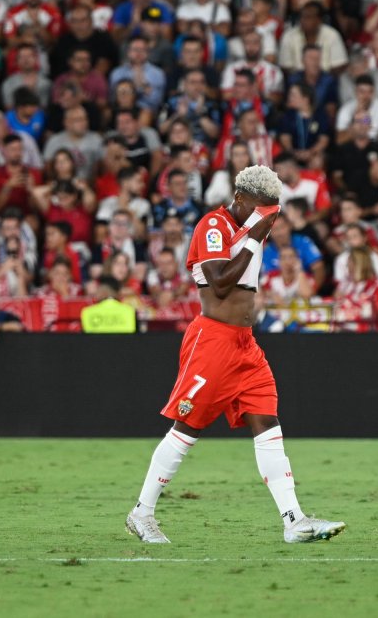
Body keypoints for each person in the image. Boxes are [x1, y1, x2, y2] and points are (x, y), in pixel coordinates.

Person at [126, 165, 344, 545]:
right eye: (262, 210)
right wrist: (255, 236)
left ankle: (294, 521)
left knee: (268, 425)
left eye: (271, 213)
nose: (267, 219)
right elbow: (221, 283)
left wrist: (256, 231)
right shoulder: (214, 226)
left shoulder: (248, 226)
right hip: (213, 341)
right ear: (241, 199)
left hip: (245, 343)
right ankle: (141, 513)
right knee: (187, 429)